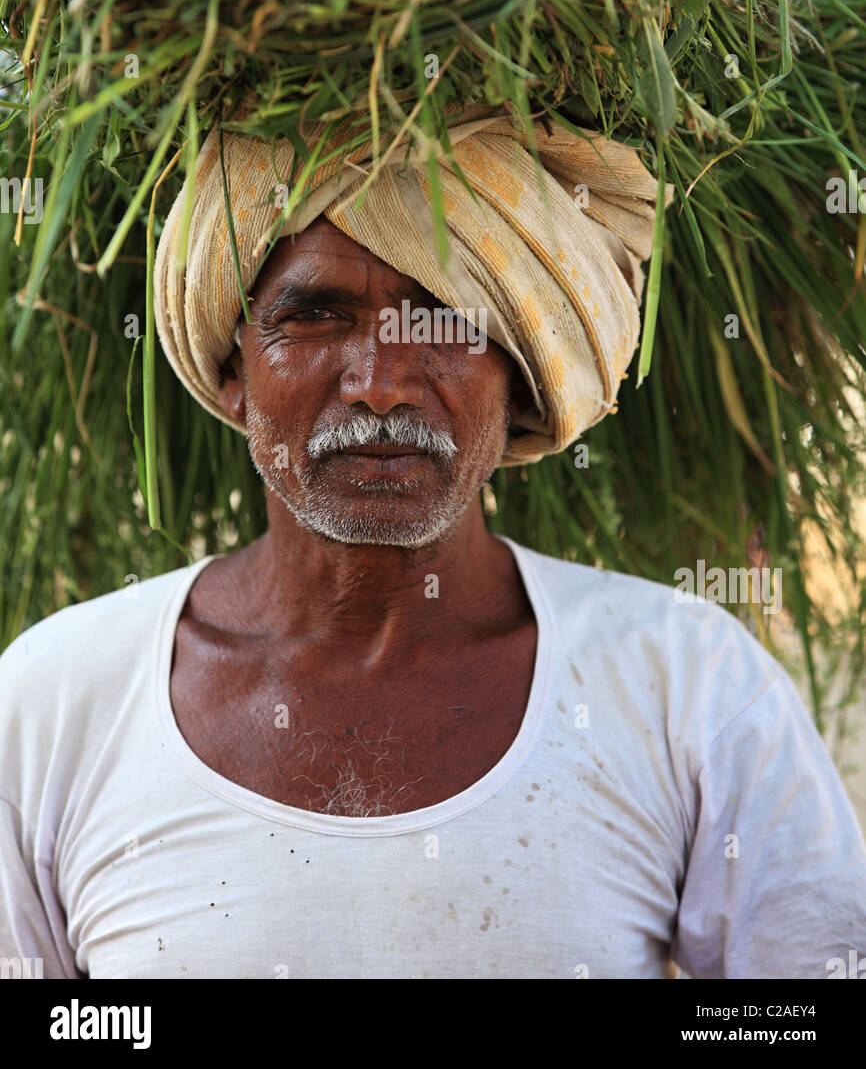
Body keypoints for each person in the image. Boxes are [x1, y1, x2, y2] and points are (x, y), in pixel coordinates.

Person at [1, 103, 864, 979]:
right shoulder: (55, 701)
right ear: (233, 371)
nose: (379, 384)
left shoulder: (692, 686)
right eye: (316, 316)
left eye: (444, 318)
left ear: (526, 377)